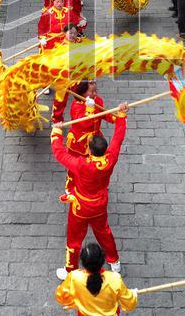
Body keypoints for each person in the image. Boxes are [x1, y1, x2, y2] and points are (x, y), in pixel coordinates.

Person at [51, 102, 128, 280]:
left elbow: (60, 154)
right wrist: (122, 116)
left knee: (74, 239)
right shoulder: (111, 158)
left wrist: (56, 132)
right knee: (104, 231)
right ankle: (114, 260)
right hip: (100, 204)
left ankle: (70, 269)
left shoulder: (82, 165)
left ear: (90, 150)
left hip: (81, 207)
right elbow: (118, 138)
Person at [55, 243, 138, 316]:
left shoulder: (74, 277)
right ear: (102, 261)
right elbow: (129, 303)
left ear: (83, 262)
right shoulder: (114, 279)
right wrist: (133, 295)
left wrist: (75, 302)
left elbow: (61, 296)